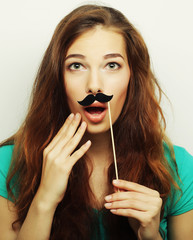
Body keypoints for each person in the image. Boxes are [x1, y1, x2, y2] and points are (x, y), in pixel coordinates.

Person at [0, 4, 193, 240]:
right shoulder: (8, 164)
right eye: (76, 66)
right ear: (58, 79)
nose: (94, 85)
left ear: (133, 77)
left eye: (112, 65)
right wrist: (45, 199)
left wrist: (151, 236)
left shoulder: (179, 168)